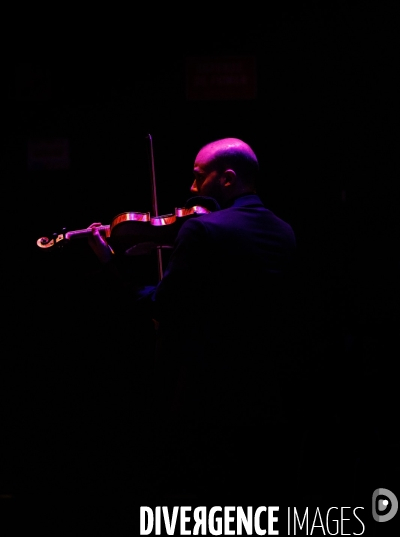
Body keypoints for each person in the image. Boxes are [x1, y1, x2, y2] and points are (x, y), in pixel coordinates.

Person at [88, 137, 299, 502]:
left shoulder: (202, 230)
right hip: (269, 398)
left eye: (199, 177)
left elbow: (160, 306)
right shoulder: (285, 232)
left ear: (227, 178)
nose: (191, 188)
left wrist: (111, 263)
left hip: (207, 402)